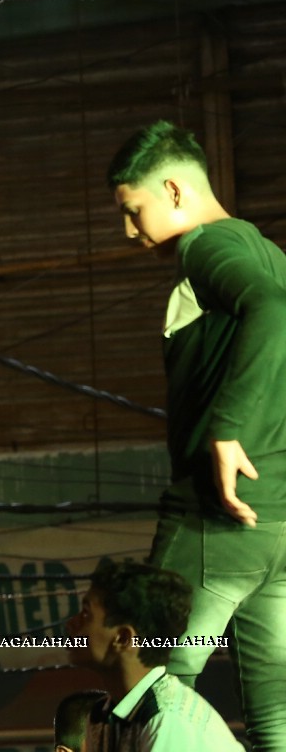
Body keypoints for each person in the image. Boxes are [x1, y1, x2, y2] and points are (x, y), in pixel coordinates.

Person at [109, 120, 286, 747]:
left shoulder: (206, 248)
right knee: (276, 719)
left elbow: (272, 309)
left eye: (135, 210)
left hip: (215, 521)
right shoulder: (268, 251)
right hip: (277, 527)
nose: (130, 231)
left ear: (176, 191)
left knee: (150, 680)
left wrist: (228, 428)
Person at [70, 558, 242, 750]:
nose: (71, 624)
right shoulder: (102, 715)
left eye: (86, 614)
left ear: (123, 639)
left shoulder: (168, 718)